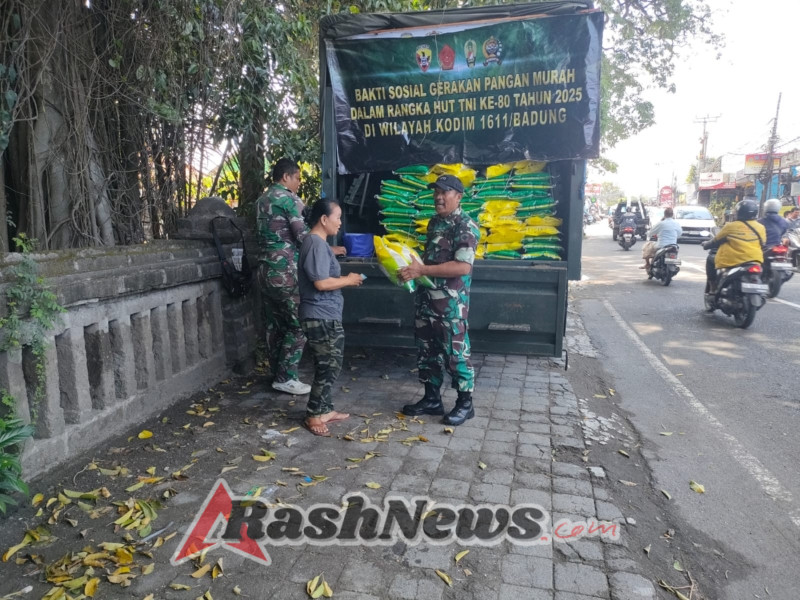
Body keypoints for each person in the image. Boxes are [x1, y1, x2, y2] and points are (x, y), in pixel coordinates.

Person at [255, 159, 345, 396]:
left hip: (264, 270)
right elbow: (305, 235)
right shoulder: (289, 200)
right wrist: (329, 250)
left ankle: (276, 372)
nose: (298, 184)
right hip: (285, 271)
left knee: (274, 325)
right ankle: (286, 377)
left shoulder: (261, 200)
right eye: (297, 179)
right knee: (297, 324)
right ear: (286, 177)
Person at [397, 174, 480, 426]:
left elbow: (462, 267)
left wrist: (422, 271)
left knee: (455, 354)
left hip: (450, 305)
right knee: (427, 352)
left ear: (458, 196)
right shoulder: (434, 223)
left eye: (445, 192)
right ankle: (432, 399)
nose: (438, 197)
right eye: (436, 192)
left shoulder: (465, 226)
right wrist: (409, 269)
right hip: (426, 302)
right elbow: (429, 261)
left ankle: (465, 403)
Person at [297, 198, 363, 436]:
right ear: (324, 220)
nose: (340, 222)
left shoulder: (319, 243)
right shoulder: (314, 243)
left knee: (329, 364)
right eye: (337, 217)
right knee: (328, 367)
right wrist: (349, 279)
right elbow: (321, 282)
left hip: (325, 314)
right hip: (319, 315)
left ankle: (325, 409)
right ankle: (314, 415)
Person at [702, 198, 765, 294]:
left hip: (733, 260)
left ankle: (713, 286)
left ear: (738, 212)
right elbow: (763, 242)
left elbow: (715, 240)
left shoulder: (730, 226)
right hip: (755, 260)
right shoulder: (761, 227)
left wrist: (706, 245)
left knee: (710, 259)